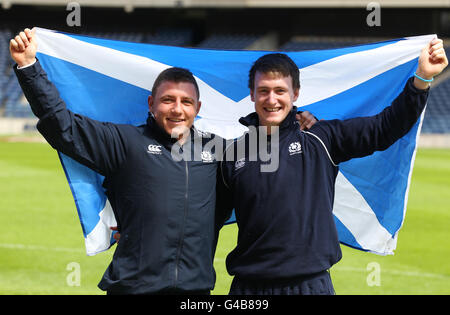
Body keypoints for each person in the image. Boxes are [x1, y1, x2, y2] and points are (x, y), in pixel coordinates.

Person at [9, 28, 317, 295]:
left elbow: (267, 159)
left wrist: (296, 123)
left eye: (185, 102)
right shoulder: (125, 143)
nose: (177, 109)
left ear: (198, 107)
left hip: (195, 294)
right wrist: (28, 67)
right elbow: (62, 127)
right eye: (168, 100)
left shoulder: (220, 151)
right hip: (132, 288)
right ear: (151, 104)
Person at [218, 40, 448, 295]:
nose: (271, 99)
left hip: (309, 286)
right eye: (263, 91)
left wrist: (422, 79)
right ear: (251, 94)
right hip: (248, 289)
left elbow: (385, 128)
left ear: (295, 94)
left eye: (280, 91)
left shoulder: (320, 138)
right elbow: (204, 218)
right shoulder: (233, 154)